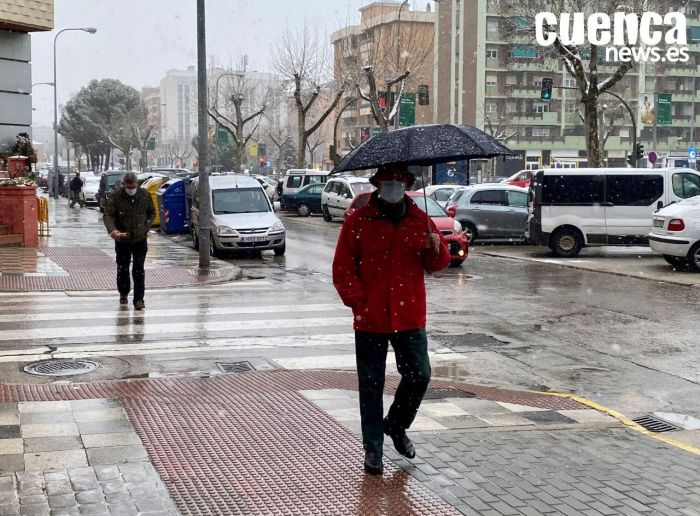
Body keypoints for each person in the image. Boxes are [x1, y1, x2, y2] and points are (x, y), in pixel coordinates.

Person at [332, 164, 450, 475]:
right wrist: (359, 302)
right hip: (371, 319)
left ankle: (396, 425)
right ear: (377, 184)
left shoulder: (420, 220)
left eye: (399, 181)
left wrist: (436, 250)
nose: (394, 186)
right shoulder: (359, 220)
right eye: (388, 181)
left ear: (408, 184)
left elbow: (438, 264)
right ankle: (373, 449)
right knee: (370, 386)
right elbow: (343, 268)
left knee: (420, 375)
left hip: (409, 316)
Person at [103, 171, 155, 310]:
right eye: (128, 187)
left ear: (136, 184)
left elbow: (151, 213)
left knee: (139, 269)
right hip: (122, 239)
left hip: (140, 238)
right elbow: (108, 215)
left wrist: (146, 228)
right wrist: (112, 230)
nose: (131, 190)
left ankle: (139, 299)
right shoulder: (116, 197)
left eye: (133, 187)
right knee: (123, 268)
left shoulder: (144, 195)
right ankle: (123, 292)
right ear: (124, 184)